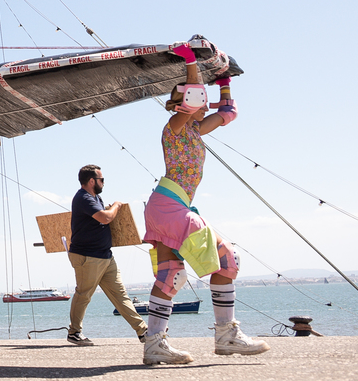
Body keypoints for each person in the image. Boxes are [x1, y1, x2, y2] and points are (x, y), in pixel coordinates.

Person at [140, 46, 269, 365]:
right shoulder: (175, 127)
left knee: (170, 273)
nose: (205, 105)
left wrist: (225, 81)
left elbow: (228, 114)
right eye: (198, 101)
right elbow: (196, 99)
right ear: (183, 102)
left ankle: (154, 343)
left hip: (165, 205)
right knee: (228, 261)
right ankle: (226, 335)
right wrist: (190, 62)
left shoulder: (196, 129)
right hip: (170, 206)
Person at [64, 164, 146, 346]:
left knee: (120, 294)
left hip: (105, 256)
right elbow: (105, 218)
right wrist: (116, 206)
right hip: (88, 257)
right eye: (102, 180)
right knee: (83, 294)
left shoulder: (95, 198)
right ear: (92, 181)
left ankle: (143, 331)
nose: (103, 183)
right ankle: (74, 332)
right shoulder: (83, 198)